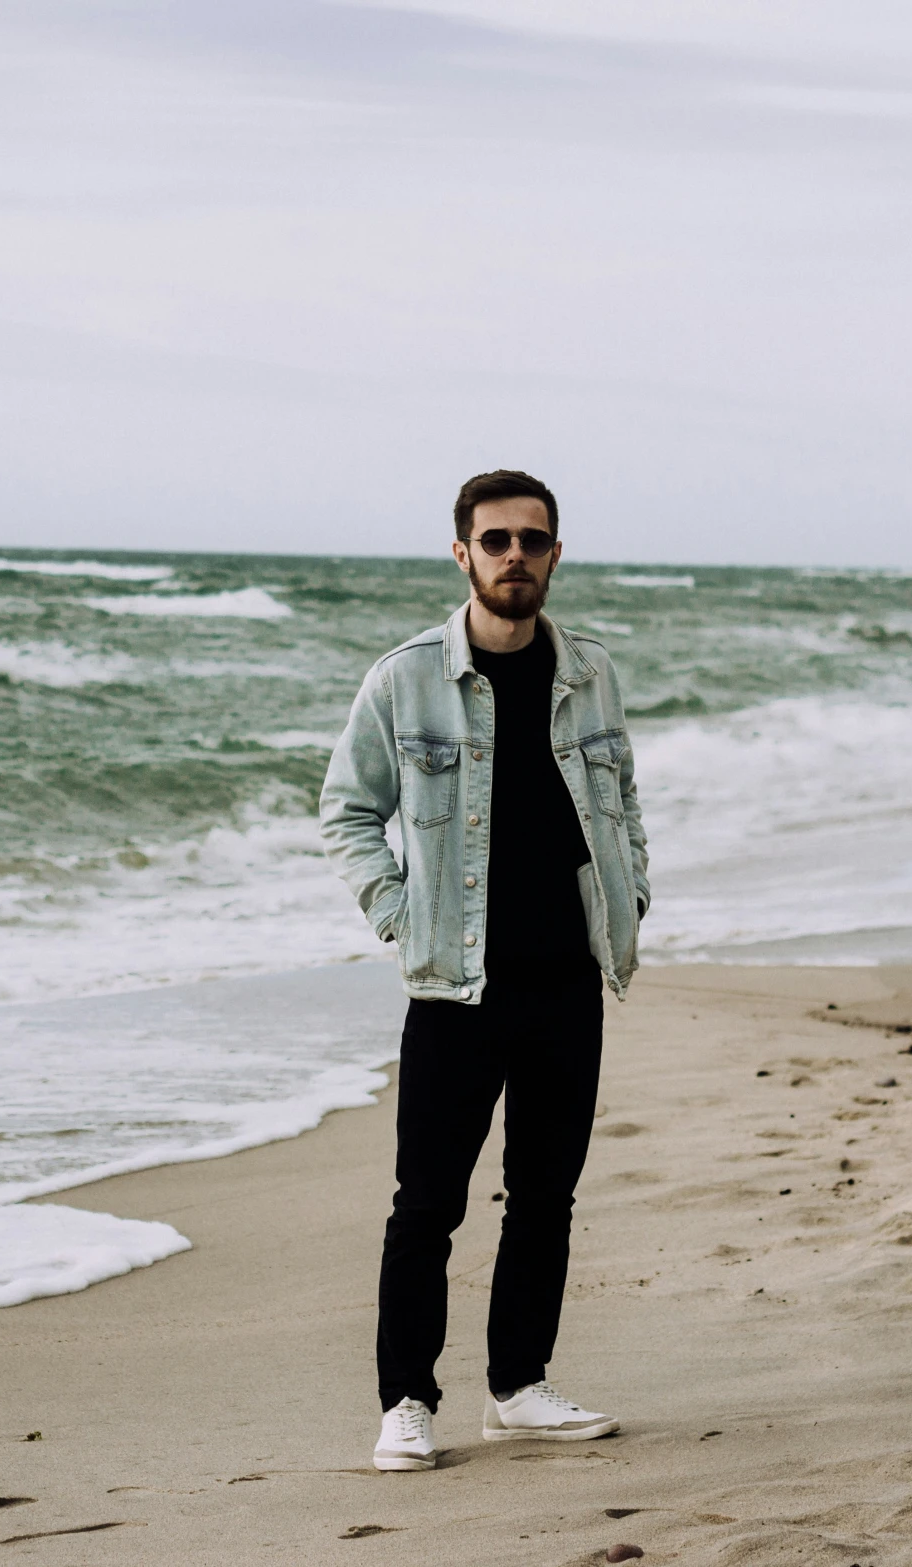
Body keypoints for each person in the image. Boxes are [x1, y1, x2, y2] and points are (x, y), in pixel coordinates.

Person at [319, 469, 651, 1472]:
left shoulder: (589, 671)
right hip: (453, 985)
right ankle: (406, 1402)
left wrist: (632, 896)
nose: (516, 556)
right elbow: (345, 812)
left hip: (566, 979)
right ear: (461, 552)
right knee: (428, 1201)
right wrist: (396, 912)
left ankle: (517, 1387)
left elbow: (623, 796)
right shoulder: (407, 676)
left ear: (555, 554)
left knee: (543, 1196)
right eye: (496, 540)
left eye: (533, 540)